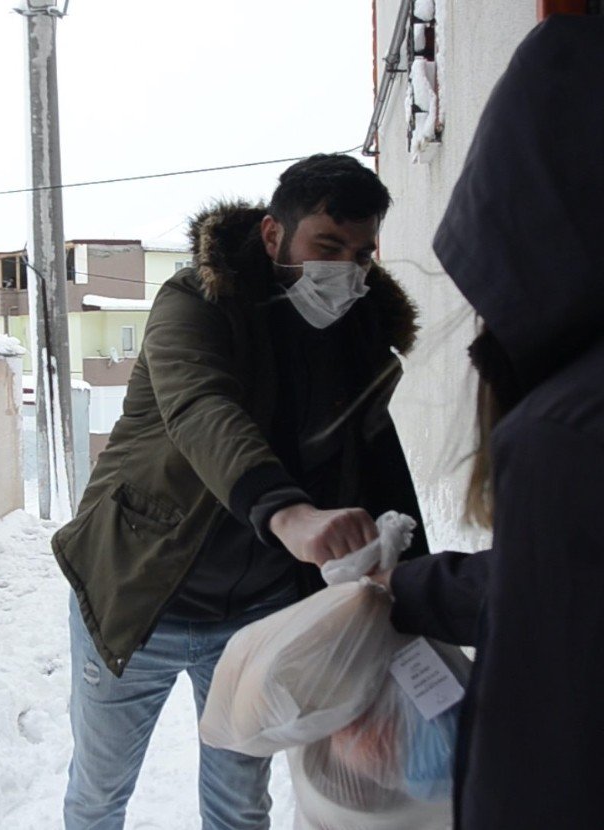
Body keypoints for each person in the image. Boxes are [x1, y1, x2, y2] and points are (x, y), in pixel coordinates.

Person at [52, 153, 429, 829]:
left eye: (362, 252)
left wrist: (421, 600)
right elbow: (202, 409)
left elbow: (381, 470)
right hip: (137, 599)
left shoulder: (357, 341)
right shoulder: (196, 301)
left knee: (238, 807)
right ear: (272, 235)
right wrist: (289, 514)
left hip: (255, 616)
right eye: (327, 245)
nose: (346, 268)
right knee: (99, 795)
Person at [370, 16, 604, 829]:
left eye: (362, 252)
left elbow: (540, 757)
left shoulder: (566, 433)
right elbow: (557, 583)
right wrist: (408, 584)